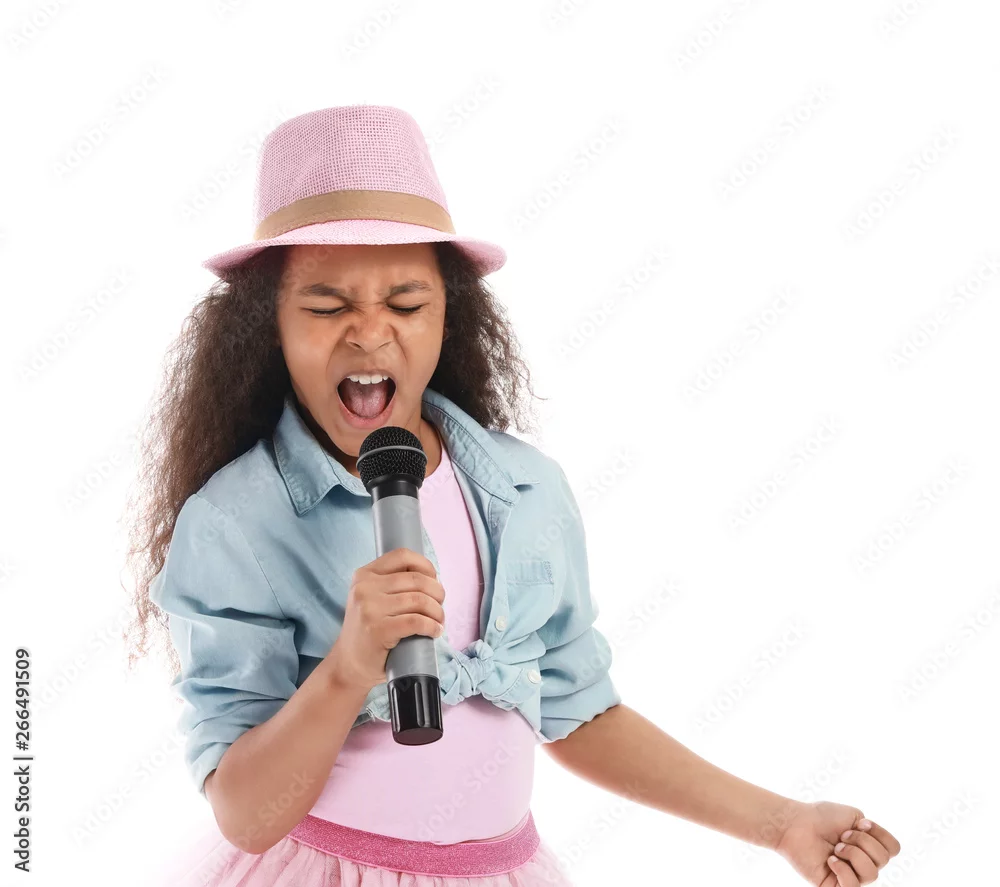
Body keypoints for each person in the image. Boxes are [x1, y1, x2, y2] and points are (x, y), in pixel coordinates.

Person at [123, 105, 900, 886]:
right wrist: (348, 666)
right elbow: (246, 812)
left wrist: (780, 822)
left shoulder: (526, 491)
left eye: (406, 304)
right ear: (269, 325)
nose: (369, 333)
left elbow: (580, 712)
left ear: (449, 316)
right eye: (327, 306)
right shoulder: (236, 522)